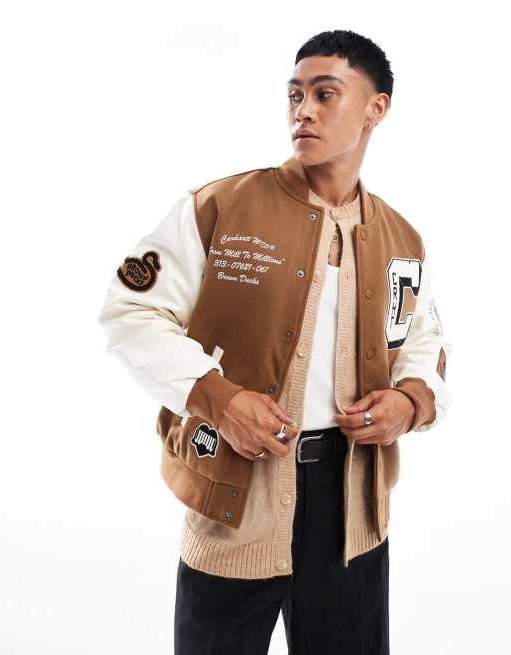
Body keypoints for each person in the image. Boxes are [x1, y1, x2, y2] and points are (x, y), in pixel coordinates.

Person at [97, 29, 452, 655]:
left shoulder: (402, 237)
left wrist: (411, 401)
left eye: (324, 94)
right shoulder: (219, 206)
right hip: (236, 496)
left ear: (376, 108)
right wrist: (219, 399)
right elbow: (130, 311)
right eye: (294, 95)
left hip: (353, 508)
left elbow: (423, 340)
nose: (302, 111)